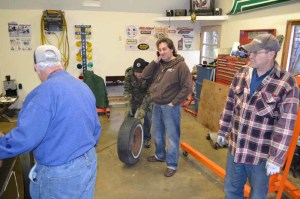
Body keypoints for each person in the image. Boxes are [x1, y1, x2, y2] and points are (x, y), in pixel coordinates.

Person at [0, 45, 102, 198]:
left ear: (36, 68)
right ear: (61, 63)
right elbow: (96, 129)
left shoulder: (42, 94)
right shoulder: (83, 87)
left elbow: (26, 138)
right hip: (89, 162)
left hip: (60, 174)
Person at [217, 34, 299, 198]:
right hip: (237, 150)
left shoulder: (286, 83)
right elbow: (230, 105)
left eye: (255, 52)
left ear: (271, 54)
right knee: (231, 191)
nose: (250, 55)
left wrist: (276, 158)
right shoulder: (242, 73)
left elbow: (285, 125)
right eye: (250, 52)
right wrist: (223, 130)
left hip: (260, 156)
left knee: (258, 195)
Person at [142, 37, 192, 177]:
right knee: (157, 133)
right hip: (157, 104)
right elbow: (145, 75)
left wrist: (174, 102)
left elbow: (187, 86)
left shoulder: (180, 66)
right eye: (160, 50)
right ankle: (160, 155)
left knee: (172, 137)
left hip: (170, 107)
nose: (162, 52)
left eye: (164, 49)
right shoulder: (159, 64)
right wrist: (155, 61)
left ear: (171, 48)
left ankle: (171, 164)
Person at [124, 58, 152, 148]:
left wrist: (143, 109)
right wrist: (128, 105)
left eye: (140, 72)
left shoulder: (150, 75)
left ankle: (147, 137)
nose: (138, 74)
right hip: (134, 100)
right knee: (129, 116)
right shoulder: (129, 73)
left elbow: (150, 94)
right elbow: (127, 90)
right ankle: (129, 135)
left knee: (148, 118)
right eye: (136, 72)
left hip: (147, 101)